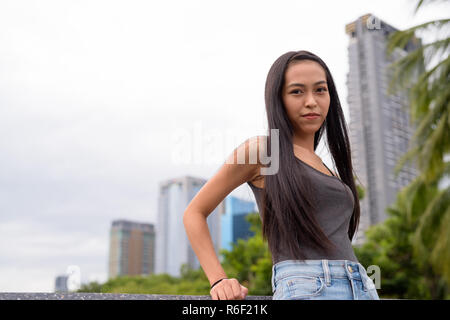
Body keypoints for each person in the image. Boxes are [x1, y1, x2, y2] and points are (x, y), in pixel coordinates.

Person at [183, 50, 380, 300]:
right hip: (310, 288)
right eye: (297, 91)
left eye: (320, 90)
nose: (311, 101)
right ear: (278, 99)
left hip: (361, 286)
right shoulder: (265, 151)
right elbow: (194, 213)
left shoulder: (324, 164)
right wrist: (219, 280)